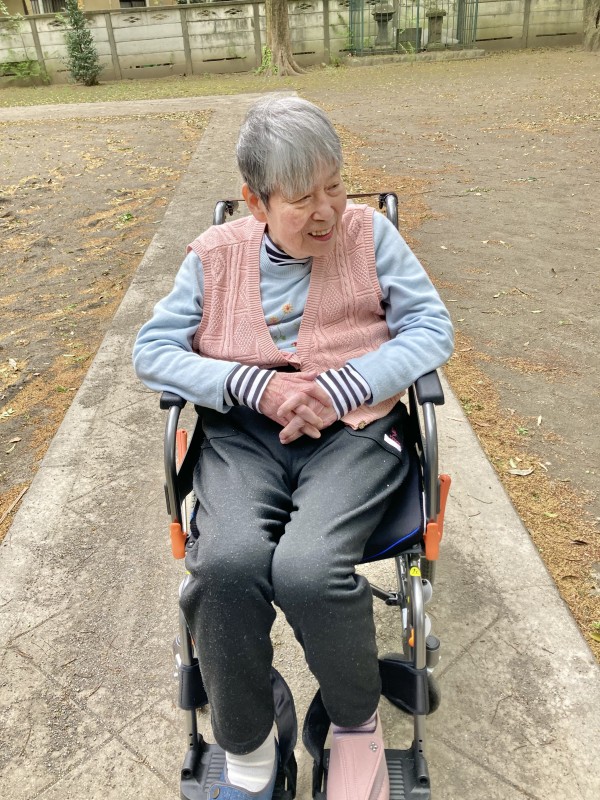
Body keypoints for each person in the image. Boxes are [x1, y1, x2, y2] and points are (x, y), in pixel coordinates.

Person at [133, 95, 453, 800]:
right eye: (302, 198)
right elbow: (151, 352)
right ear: (255, 201)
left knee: (308, 569)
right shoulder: (214, 255)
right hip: (244, 438)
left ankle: (355, 727)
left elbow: (432, 329)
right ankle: (249, 745)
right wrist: (252, 385)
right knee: (225, 563)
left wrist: (340, 388)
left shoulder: (370, 235)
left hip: (356, 432)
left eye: (335, 186)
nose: (327, 211)